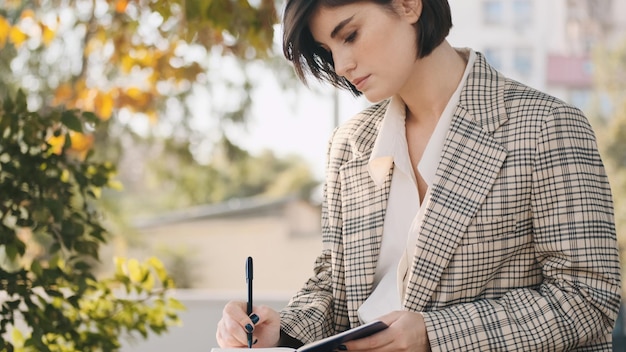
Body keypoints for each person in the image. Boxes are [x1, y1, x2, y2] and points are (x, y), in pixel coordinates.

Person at [216, 0, 622, 350]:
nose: (342, 66)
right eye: (328, 49)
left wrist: (435, 335)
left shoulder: (544, 126)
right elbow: (334, 283)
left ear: (409, 5)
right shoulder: (349, 144)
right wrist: (281, 333)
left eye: (351, 35)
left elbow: (588, 298)